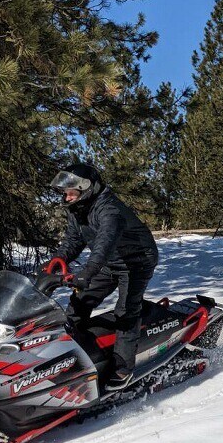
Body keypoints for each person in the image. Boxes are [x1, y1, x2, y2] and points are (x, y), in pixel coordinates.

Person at [46, 163, 159, 391]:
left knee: (126, 310)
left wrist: (87, 272)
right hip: (110, 263)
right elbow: (73, 241)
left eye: (71, 192)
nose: (66, 197)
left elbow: (104, 244)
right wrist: (54, 263)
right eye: (65, 193)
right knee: (79, 304)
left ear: (86, 188)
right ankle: (73, 359)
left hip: (136, 261)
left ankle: (122, 369)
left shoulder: (109, 210)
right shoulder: (78, 209)